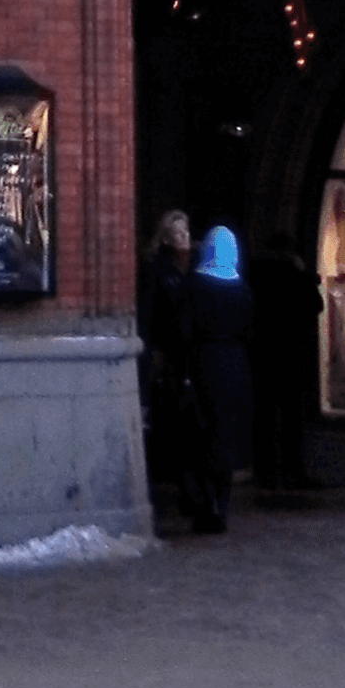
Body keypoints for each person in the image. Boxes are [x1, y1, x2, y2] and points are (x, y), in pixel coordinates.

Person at [185, 225, 255, 534]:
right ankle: (222, 503)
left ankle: (205, 501)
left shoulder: (195, 285)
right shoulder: (242, 289)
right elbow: (252, 328)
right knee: (225, 435)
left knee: (201, 434)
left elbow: (182, 329)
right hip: (235, 364)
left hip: (204, 362)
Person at [247, 231, 321, 494]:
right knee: (291, 415)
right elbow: (315, 304)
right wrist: (304, 275)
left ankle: (264, 471)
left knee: (264, 414)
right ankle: (293, 472)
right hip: (290, 352)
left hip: (263, 350)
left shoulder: (254, 271)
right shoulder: (294, 272)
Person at [138, 209, 196, 509]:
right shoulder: (157, 268)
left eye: (186, 230)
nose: (184, 236)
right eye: (177, 232)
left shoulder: (197, 266)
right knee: (173, 421)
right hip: (168, 355)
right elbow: (148, 314)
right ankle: (180, 485)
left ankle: (190, 486)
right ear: (165, 237)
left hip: (191, 355)